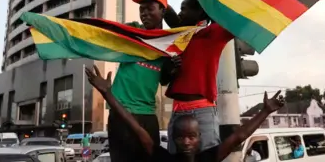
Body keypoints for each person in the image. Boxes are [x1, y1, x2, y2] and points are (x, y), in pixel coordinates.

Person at [85, 65, 285, 162]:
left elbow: (239, 136)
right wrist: (108, 94)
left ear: (199, 138)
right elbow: (135, 127)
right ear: (173, 138)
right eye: (181, 137)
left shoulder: (208, 158)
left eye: (191, 136)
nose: (186, 142)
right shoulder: (164, 159)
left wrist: (265, 111)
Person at [142, 0, 234, 153]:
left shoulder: (214, 34)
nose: (181, 13)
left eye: (185, 9)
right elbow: (163, 3)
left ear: (200, 12)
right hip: (177, 111)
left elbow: (231, 12)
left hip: (203, 111)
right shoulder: (180, 34)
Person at [105, 0, 173, 162]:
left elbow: (164, 79)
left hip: (148, 115)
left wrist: (174, 68)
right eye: (141, 10)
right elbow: (107, 32)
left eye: (150, 9)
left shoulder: (169, 44)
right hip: (121, 113)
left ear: (162, 11)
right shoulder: (133, 30)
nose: (144, 13)